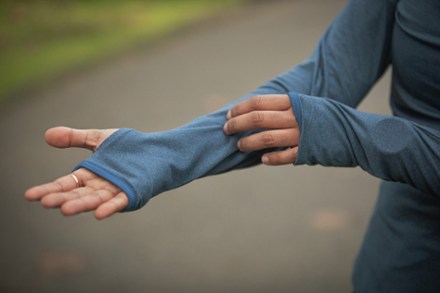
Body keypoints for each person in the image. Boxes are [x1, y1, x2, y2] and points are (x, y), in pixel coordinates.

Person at [25, 0, 440, 291]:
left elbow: (330, 119)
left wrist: (351, 133)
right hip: (399, 255)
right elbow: (325, 80)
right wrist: (165, 154)